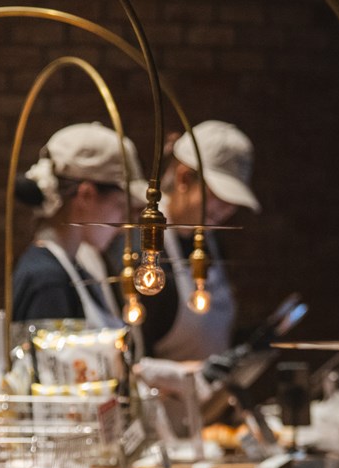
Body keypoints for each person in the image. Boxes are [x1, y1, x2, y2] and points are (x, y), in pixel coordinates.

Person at [110, 120, 260, 361]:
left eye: (233, 202)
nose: (227, 209)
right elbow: (133, 355)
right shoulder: (143, 252)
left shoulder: (210, 242)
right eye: (220, 196)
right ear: (184, 179)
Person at [12, 122, 139, 327]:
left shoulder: (74, 268)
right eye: (120, 206)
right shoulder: (47, 281)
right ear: (86, 195)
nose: (124, 223)